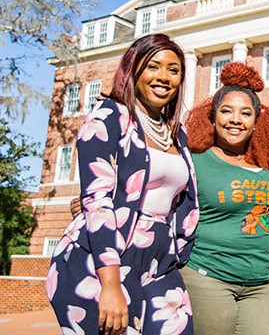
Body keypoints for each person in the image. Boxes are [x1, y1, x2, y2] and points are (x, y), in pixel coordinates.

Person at [47, 34, 200, 335]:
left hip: (158, 263)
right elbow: (98, 201)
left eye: (174, 69)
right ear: (133, 70)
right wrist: (110, 284)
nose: (164, 77)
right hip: (103, 260)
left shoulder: (176, 134)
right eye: (153, 66)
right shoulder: (109, 117)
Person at [180, 62, 269, 335]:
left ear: (255, 122)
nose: (235, 119)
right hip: (207, 279)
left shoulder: (268, 170)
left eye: (245, 113)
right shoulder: (195, 162)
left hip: (260, 285)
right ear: (212, 118)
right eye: (226, 111)